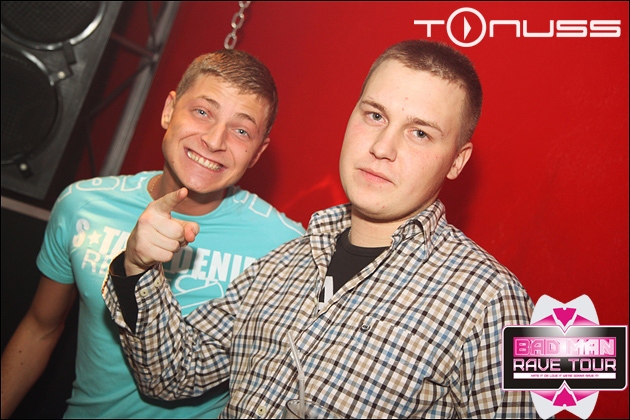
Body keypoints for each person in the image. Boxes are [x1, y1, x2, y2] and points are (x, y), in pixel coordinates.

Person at [102, 40, 538, 418]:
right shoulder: (283, 262)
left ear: (457, 160)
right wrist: (137, 266)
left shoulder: (495, 300)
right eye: (375, 116)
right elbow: (172, 375)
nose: (382, 147)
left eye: (420, 133)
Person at [0, 49, 304, 419]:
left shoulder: (285, 246)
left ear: (257, 152)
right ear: (168, 110)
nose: (214, 140)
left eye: (241, 130)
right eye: (202, 112)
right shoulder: (83, 205)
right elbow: (40, 328)